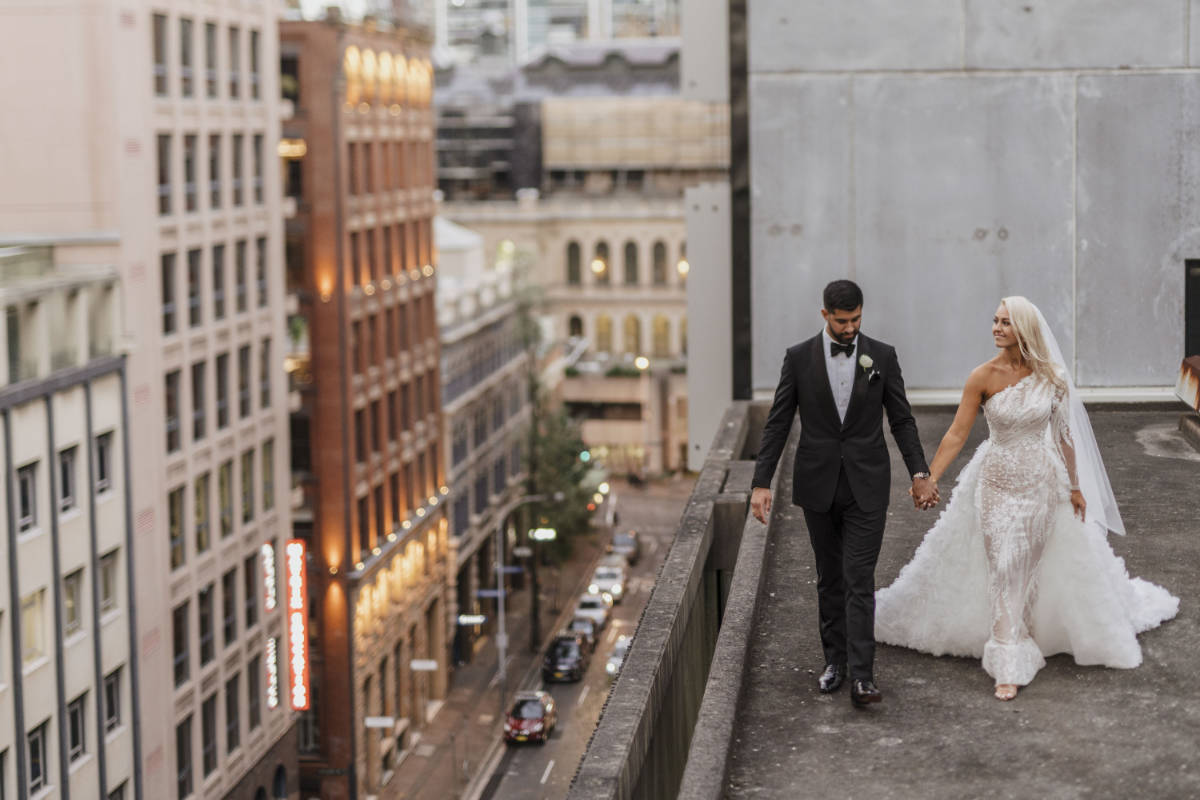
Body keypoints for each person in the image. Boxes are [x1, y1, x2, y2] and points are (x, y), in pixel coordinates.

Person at [875, 296, 1179, 700]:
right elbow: (956, 433)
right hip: (996, 482)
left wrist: (1074, 487)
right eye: (995, 321)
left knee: (1027, 566)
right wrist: (927, 478)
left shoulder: (1051, 377)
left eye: (1005, 322)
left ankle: (1028, 631)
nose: (997, 328)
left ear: (1024, 328)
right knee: (1004, 564)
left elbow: (1065, 436)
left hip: (1041, 483)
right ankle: (1007, 661)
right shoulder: (981, 376)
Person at [751, 279, 937, 708]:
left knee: (859, 578)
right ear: (825, 316)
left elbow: (902, 421)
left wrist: (920, 472)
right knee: (829, 578)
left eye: (856, 319)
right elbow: (778, 422)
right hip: (818, 485)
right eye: (842, 321)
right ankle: (834, 662)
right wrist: (762, 483)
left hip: (866, 487)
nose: (850, 328)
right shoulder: (798, 359)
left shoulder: (882, 357)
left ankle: (863, 677)